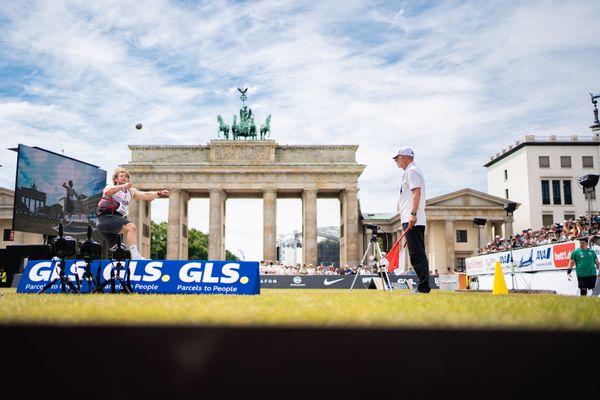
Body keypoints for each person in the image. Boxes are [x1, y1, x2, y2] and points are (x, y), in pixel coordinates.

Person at [96, 167, 169, 260]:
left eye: (126, 176)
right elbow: (107, 192)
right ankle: (136, 256)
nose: (124, 178)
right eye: (121, 176)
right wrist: (123, 186)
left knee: (119, 249)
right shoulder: (110, 187)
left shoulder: (131, 191)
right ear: (115, 179)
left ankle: (119, 265)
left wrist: (159, 193)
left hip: (113, 222)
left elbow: (145, 195)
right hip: (106, 218)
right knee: (131, 227)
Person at [393, 146, 431, 293]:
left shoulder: (412, 171)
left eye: (397, 158)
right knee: (415, 252)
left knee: (417, 253)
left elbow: (417, 193)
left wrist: (413, 214)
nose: (396, 161)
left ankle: (423, 287)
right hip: (409, 217)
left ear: (404, 157)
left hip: (413, 218)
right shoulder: (409, 172)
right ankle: (423, 285)